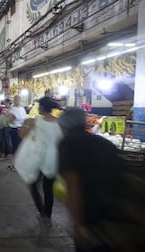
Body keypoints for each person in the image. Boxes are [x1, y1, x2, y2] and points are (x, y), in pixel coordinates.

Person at [58, 108, 145, 252]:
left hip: (92, 213)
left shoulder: (67, 143)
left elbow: (73, 186)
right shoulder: (103, 142)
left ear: (64, 126)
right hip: (116, 210)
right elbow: (128, 176)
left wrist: (77, 225)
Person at [19, 96, 62, 219]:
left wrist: (26, 122)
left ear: (41, 108)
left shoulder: (34, 121)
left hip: (39, 158)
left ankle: (41, 210)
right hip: (54, 159)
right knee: (48, 188)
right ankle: (48, 213)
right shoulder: (60, 123)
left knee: (32, 183)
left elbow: (21, 134)